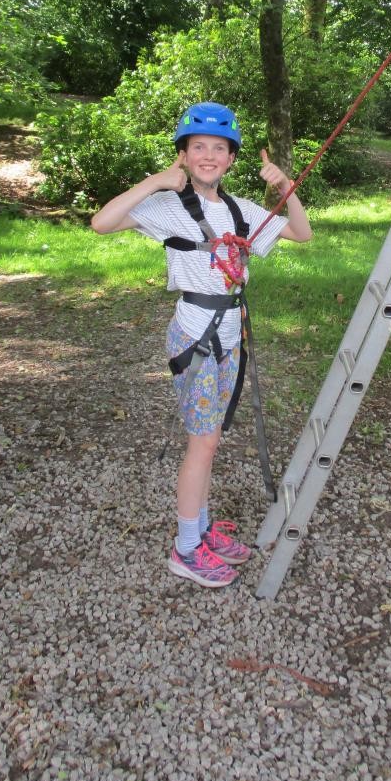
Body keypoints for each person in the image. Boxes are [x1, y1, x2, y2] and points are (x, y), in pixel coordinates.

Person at [92, 102, 312, 588]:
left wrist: (285, 187)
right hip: (195, 336)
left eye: (218, 148)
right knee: (204, 441)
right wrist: (156, 181)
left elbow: (301, 232)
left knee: (209, 441)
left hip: (231, 335)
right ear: (184, 155)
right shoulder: (168, 207)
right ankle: (186, 547)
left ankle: (202, 529)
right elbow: (102, 222)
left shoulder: (240, 210)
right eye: (198, 147)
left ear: (231, 158)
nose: (208, 156)